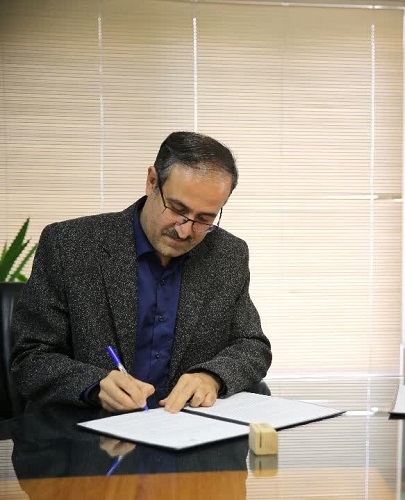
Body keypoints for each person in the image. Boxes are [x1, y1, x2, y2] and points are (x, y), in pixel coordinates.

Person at [10, 131, 272, 414]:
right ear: (152, 182)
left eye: (204, 219)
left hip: (186, 429)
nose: (185, 230)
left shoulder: (228, 254)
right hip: (89, 430)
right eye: (177, 209)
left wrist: (212, 376)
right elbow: (30, 359)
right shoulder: (69, 245)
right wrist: (95, 385)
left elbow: (252, 346)